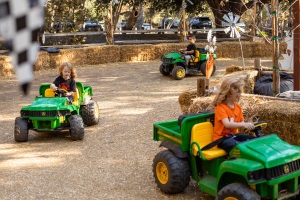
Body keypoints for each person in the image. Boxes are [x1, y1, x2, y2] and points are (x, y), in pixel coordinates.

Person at [212, 77, 255, 152]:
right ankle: (236, 161)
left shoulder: (238, 107)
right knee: (238, 146)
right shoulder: (220, 108)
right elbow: (227, 124)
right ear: (228, 93)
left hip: (234, 136)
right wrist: (243, 124)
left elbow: (242, 124)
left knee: (254, 141)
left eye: (239, 92)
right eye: (237, 92)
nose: (239, 94)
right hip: (221, 139)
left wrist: (249, 125)